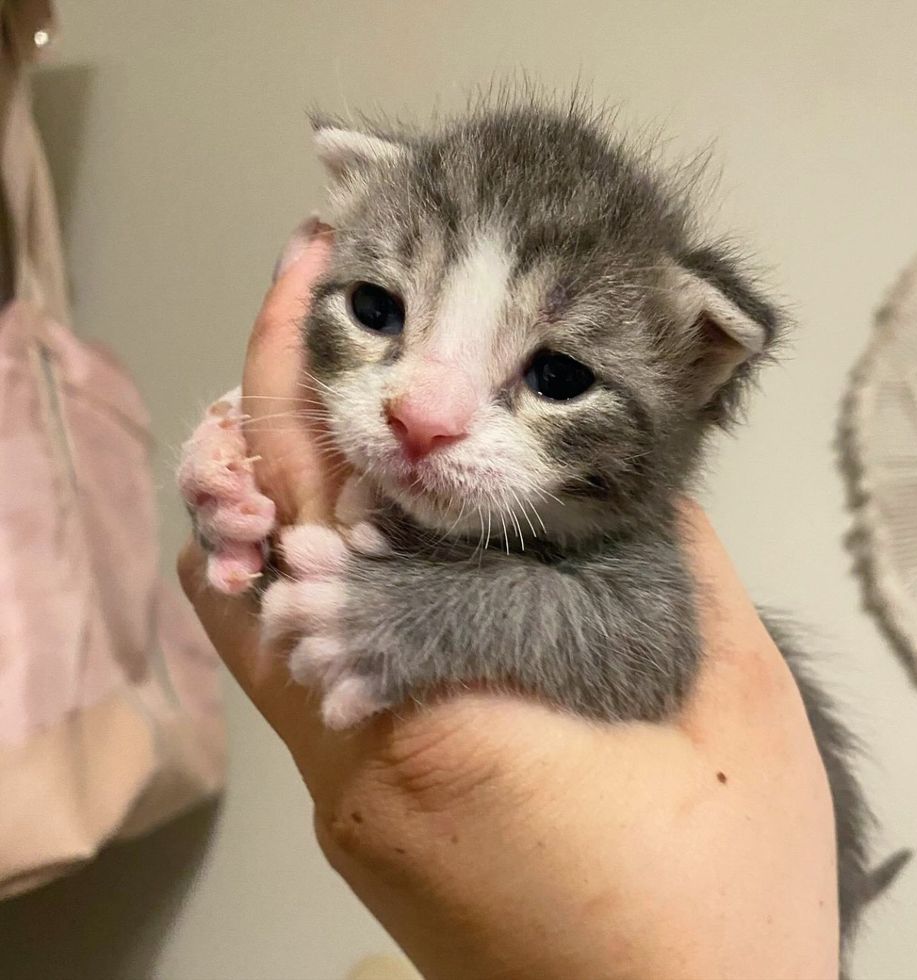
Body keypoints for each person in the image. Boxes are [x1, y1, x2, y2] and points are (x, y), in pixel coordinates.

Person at [178, 227, 839, 980]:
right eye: (382, 309)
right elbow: (314, 580)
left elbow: (636, 644)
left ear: (698, 364)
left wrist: (420, 615)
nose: (420, 414)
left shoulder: (624, 555)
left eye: (556, 375)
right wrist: (238, 491)